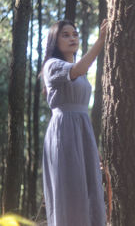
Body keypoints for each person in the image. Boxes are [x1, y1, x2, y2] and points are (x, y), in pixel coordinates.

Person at [41, 19, 108, 226]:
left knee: (90, 191)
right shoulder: (52, 65)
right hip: (64, 133)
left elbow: (79, 71)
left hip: (82, 130)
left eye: (75, 34)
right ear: (55, 41)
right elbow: (78, 69)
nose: (72, 38)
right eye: (65, 35)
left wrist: (93, 149)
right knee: (70, 191)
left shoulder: (79, 71)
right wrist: (101, 40)